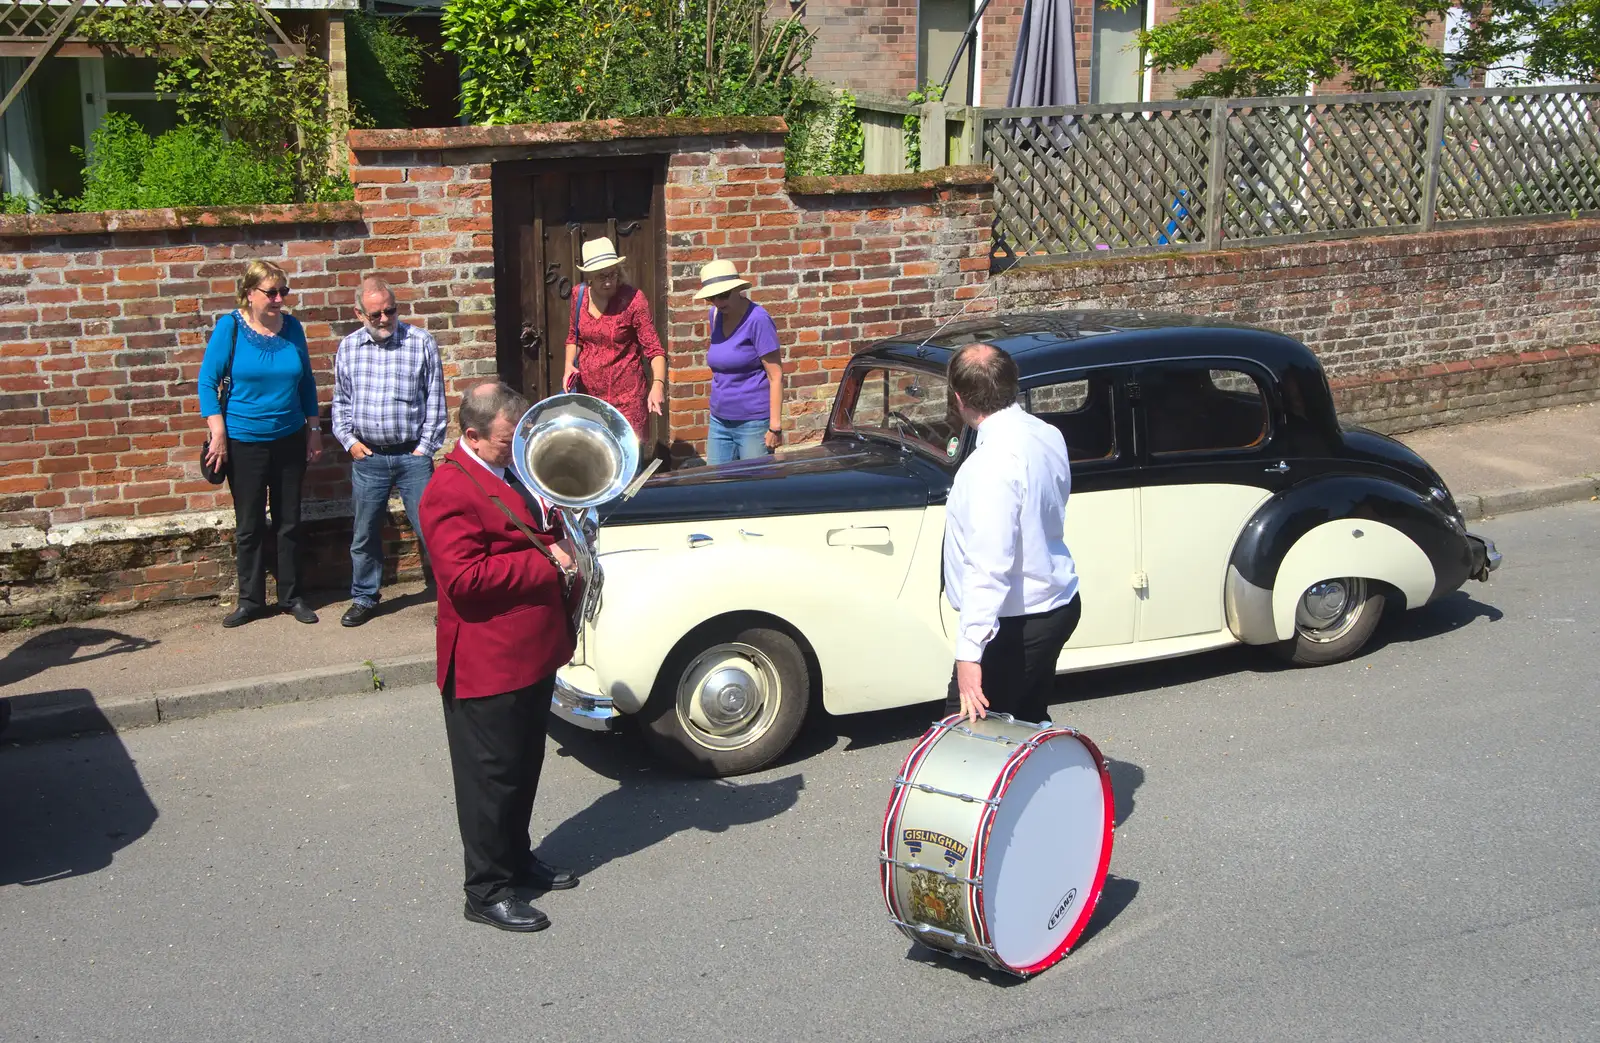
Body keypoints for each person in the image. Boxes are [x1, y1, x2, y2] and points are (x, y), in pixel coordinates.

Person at [419, 381, 583, 933]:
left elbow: (532, 529)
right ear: (472, 435)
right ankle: (485, 888)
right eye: (507, 440)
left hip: (531, 650)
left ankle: (515, 858)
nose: (517, 450)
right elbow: (464, 581)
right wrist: (550, 562)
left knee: (522, 768)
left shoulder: (509, 469)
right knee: (490, 779)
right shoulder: (449, 489)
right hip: (487, 661)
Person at [942, 343, 1083, 725]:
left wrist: (969, 654)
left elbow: (988, 566)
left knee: (968, 743)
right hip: (1053, 605)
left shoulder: (989, 466)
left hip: (1016, 622)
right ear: (1013, 384)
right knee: (1026, 722)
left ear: (958, 398)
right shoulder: (1046, 433)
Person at [199, 259, 323, 628]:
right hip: (244, 441)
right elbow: (207, 381)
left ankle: (291, 596)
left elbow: (306, 383)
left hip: (289, 436)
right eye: (271, 292)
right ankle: (250, 600)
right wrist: (218, 432)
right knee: (250, 524)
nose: (279, 299)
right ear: (249, 293)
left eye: (283, 291)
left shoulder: (293, 328)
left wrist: (313, 429)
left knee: (289, 521)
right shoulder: (230, 328)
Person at [331, 276, 447, 628]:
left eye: (390, 311)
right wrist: (350, 442)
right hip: (369, 458)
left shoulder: (420, 342)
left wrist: (423, 449)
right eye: (375, 314)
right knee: (364, 533)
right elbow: (340, 403)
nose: (384, 319)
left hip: (413, 457)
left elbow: (436, 401)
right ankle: (365, 597)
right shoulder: (348, 348)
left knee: (433, 530)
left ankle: (452, 600)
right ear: (359, 313)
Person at [562, 236, 666, 446]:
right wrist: (568, 366)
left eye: (613, 274)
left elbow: (654, 350)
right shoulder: (579, 295)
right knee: (595, 459)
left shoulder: (633, 300)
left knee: (625, 460)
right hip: (590, 398)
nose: (609, 281)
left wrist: (658, 384)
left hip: (627, 399)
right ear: (590, 276)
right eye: (602, 276)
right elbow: (574, 336)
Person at [694, 259, 784, 464]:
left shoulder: (758, 319)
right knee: (716, 486)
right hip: (719, 419)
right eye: (711, 297)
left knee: (754, 487)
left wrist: (775, 427)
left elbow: (775, 375)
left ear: (737, 290)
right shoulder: (715, 315)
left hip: (752, 422)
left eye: (723, 295)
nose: (718, 302)